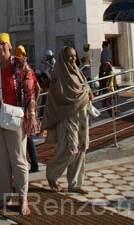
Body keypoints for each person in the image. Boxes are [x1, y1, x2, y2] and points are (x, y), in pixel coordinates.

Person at [0, 34, 38, 216]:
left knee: (18, 158)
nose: (1, 48)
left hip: (15, 117)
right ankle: (4, 197)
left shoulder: (20, 65)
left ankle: (23, 199)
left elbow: (29, 91)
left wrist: (31, 115)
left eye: (3, 44)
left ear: (9, 46)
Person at [41, 46, 93, 194]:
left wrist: (88, 94)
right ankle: (52, 174)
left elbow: (85, 88)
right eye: (70, 56)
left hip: (81, 118)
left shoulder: (78, 72)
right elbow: (57, 98)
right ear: (64, 58)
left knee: (81, 150)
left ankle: (74, 183)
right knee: (70, 150)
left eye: (75, 56)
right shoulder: (59, 77)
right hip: (66, 118)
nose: (73, 59)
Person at [13, 46, 41, 174]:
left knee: (27, 138)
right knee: (25, 137)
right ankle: (31, 164)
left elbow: (35, 88)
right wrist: (35, 101)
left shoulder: (24, 70)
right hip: (26, 107)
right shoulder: (28, 69)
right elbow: (38, 88)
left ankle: (33, 165)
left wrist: (32, 105)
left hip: (25, 109)